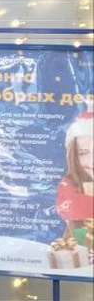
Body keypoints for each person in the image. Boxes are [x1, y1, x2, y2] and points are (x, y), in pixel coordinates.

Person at [54, 110, 94, 260]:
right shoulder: (69, 183)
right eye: (84, 153)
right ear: (74, 156)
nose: (91, 161)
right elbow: (68, 207)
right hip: (81, 246)